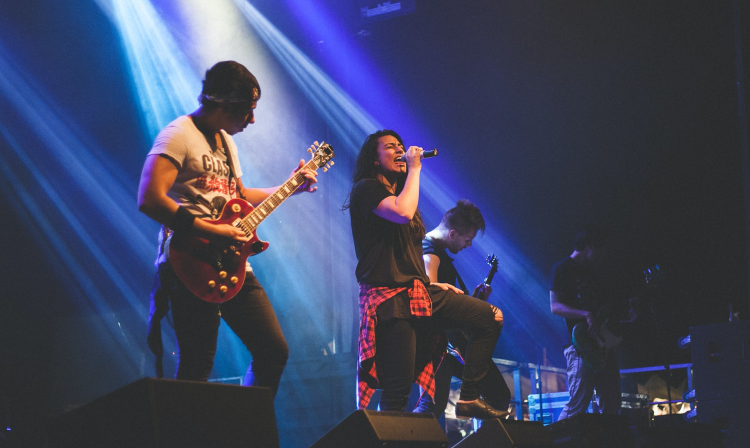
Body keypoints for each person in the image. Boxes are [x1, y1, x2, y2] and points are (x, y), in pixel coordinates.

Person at [137, 61, 317, 397]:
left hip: (232, 263)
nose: (252, 119)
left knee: (273, 350)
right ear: (224, 104)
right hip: (189, 261)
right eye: (248, 110)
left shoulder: (226, 143)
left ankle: (247, 421)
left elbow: (239, 196)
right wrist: (213, 231)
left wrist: (290, 186)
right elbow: (149, 198)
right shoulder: (178, 134)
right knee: (198, 362)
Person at [346, 129, 506, 419]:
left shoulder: (401, 194)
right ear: (373, 159)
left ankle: (469, 397)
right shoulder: (366, 188)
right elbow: (402, 213)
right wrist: (415, 168)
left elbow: (407, 257)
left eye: (401, 145)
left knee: (490, 317)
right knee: (397, 390)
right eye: (390, 147)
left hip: (416, 294)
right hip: (390, 298)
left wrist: (436, 285)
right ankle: (388, 436)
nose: (400, 150)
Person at [413, 199, 510, 418]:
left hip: (447, 344)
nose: (469, 245)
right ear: (453, 233)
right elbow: (430, 294)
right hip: (444, 346)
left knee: (432, 409)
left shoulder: (438, 250)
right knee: (431, 409)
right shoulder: (429, 250)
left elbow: (447, 305)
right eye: (468, 240)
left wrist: (473, 302)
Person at [549, 226, 621, 420]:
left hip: (603, 344)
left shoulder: (595, 273)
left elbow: (605, 309)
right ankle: (555, 437)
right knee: (578, 404)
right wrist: (586, 314)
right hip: (579, 345)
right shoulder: (562, 268)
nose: (603, 254)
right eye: (601, 248)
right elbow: (555, 306)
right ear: (590, 246)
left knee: (612, 403)